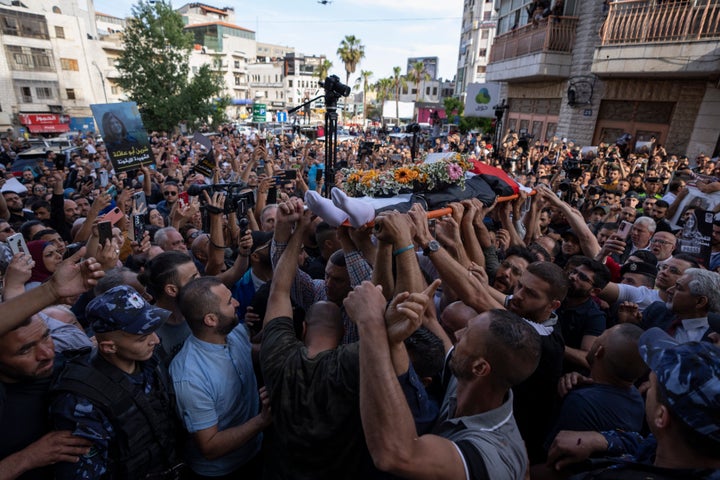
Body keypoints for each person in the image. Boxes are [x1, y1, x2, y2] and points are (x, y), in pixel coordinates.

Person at [348, 279, 541, 479]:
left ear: (480, 368)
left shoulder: (493, 456)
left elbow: (397, 455)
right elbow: (429, 318)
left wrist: (370, 324)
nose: (456, 335)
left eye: (466, 334)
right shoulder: (469, 381)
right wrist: (395, 341)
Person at [547, 328, 720, 479]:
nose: (643, 389)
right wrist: (603, 440)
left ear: (661, 416)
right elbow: (649, 442)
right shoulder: (684, 446)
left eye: (651, 385)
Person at [49, 285, 183, 480]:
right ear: (109, 347)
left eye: (153, 331)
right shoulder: (81, 399)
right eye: (143, 337)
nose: (155, 340)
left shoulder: (148, 360)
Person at [170, 277, 269, 479]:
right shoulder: (190, 377)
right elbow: (210, 446)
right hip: (223, 471)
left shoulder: (233, 333)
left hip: (255, 451)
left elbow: (249, 351)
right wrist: (263, 420)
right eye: (229, 301)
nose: (237, 303)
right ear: (211, 320)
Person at [544, 324, 647, 452]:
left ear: (599, 351)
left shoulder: (581, 402)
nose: (596, 338)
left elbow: (553, 462)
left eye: (600, 337)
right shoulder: (637, 398)